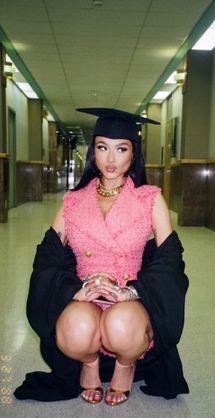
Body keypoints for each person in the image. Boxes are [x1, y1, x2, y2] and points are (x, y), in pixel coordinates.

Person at [14, 108, 189, 405]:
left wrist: (132, 291)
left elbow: (169, 260)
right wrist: (74, 290)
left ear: (133, 154)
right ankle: (89, 365)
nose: (110, 159)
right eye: (102, 148)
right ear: (93, 151)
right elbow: (48, 255)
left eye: (121, 149)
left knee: (122, 326)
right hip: (87, 293)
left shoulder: (149, 197)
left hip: (129, 297)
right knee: (74, 329)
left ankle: (125, 366)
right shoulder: (73, 200)